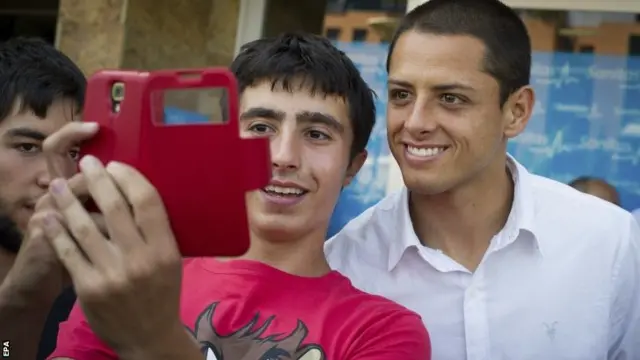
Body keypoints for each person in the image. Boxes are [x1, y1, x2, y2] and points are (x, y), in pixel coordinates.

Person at [44, 33, 431, 360]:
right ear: (223, 143)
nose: (282, 157)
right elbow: (8, 347)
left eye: (316, 134)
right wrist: (19, 304)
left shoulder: (382, 331)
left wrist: (157, 339)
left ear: (353, 166)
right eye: (261, 126)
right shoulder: (135, 277)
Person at [325, 0, 640, 359]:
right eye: (402, 95)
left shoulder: (606, 242)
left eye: (450, 98)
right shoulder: (344, 266)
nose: (414, 122)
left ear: (516, 112)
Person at [0, 37, 94, 360]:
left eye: (73, 152)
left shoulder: (93, 300)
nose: (54, 177)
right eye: (27, 147)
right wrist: (18, 302)